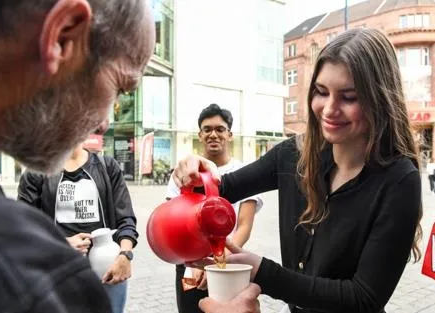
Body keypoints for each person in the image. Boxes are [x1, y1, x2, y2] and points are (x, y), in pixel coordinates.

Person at [172, 28, 423, 313]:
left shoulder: (399, 180)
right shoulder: (294, 154)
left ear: (379, 99)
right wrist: (196, 173)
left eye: (349, 97)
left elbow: (364, 297)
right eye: (321, 92)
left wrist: (262, 272)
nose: (329, 109)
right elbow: (221, 188)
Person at [0, 0, 154, 312]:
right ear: (62, 37)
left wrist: (124, 253)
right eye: (120, 87)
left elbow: (126, 220)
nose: (104, 123)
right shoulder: (23, 278)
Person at [18, 141, 138, 313]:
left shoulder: (107, 166)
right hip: (58, 273)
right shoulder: (36, 173)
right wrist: (61, 243)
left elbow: (126, 219)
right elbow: (24, 229)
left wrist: (125, 255)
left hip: (108, 270)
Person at [166, 103, 263, 313]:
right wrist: (195, 260)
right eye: (207, 129)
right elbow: (173, 223)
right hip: (190, 264)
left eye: (220, 129)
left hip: (229, 264)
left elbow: (244, 225)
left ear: (230, 135)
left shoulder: (244, 172)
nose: (213, 134)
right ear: (199, 135)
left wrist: (217, 261)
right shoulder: (184, 172)